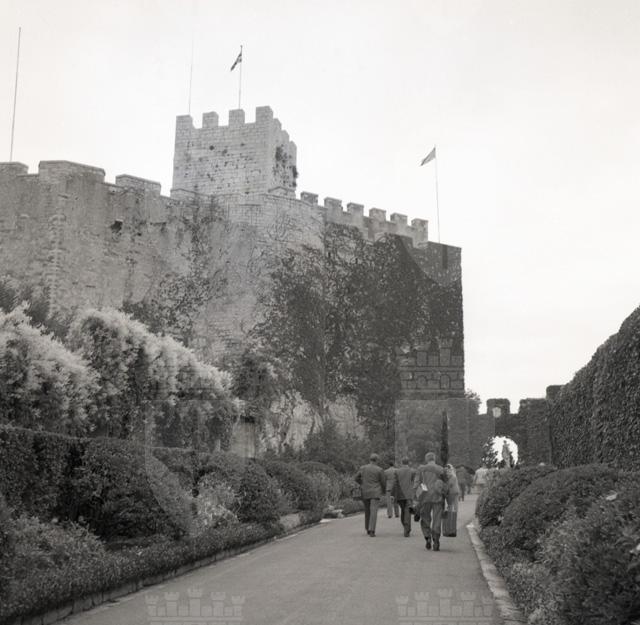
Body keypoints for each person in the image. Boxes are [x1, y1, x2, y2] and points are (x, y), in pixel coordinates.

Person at [413, 452, 447, 551]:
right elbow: (446, 484)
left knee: (425, 518)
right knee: (437, 519)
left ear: (426, 459)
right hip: (437, 497)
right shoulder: (441, 469)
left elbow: (416, 484)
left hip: (425, 497)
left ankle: (427, 537)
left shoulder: (421, 469)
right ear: (434, 459)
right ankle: (436, 540)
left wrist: (415, 498)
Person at [355, 453, 386, 537]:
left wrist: (362, 483)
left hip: (365, 492)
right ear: (377, 460)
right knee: (373, 511)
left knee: (367, 511)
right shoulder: (379, 469)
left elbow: (356, 478)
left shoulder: (363, 468)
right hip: (375, 492)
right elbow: (383, 482)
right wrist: (384, 491)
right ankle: (372, 530)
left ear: (370, 459)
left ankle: (367, 528)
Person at [391, 457, 416, 536]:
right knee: (407, 511)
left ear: (402, 462)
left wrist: (392, 494)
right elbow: (415, 482)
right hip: (408, 494)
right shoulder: (413, 471)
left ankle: (405, 526)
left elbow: (395, 483)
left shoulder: (397, 471)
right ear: (408, 462)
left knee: (403, 511)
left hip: (400, 494)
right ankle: (407, 529)